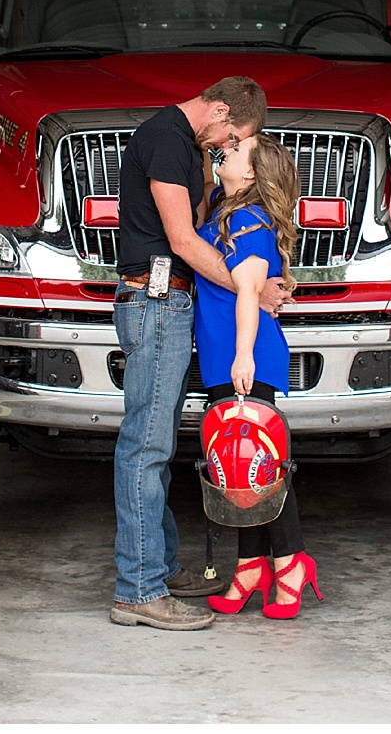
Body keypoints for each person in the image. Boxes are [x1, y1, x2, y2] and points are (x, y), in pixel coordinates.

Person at [109, 75, 278, 630]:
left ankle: (158, 566)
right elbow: (182, 241)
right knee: (146, 447)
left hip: (168, 305)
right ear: (220, 108)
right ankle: (138, 590)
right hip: (155, 301)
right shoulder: (165, 139)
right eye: (232, 136)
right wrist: (249, 287)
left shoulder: (184, 147)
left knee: (156, 444)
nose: (228, 147)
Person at [198, 132, 322, 620]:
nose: (223, 152)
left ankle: (290, 564)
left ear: (250, 173)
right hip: (225, 355)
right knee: (236, 468)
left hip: (246, 356)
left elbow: (248, 292)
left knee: (258, 467)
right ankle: (251, 567)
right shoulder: (224, 209)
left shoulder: (247, 220)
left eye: (234, 151)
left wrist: (243, 356)